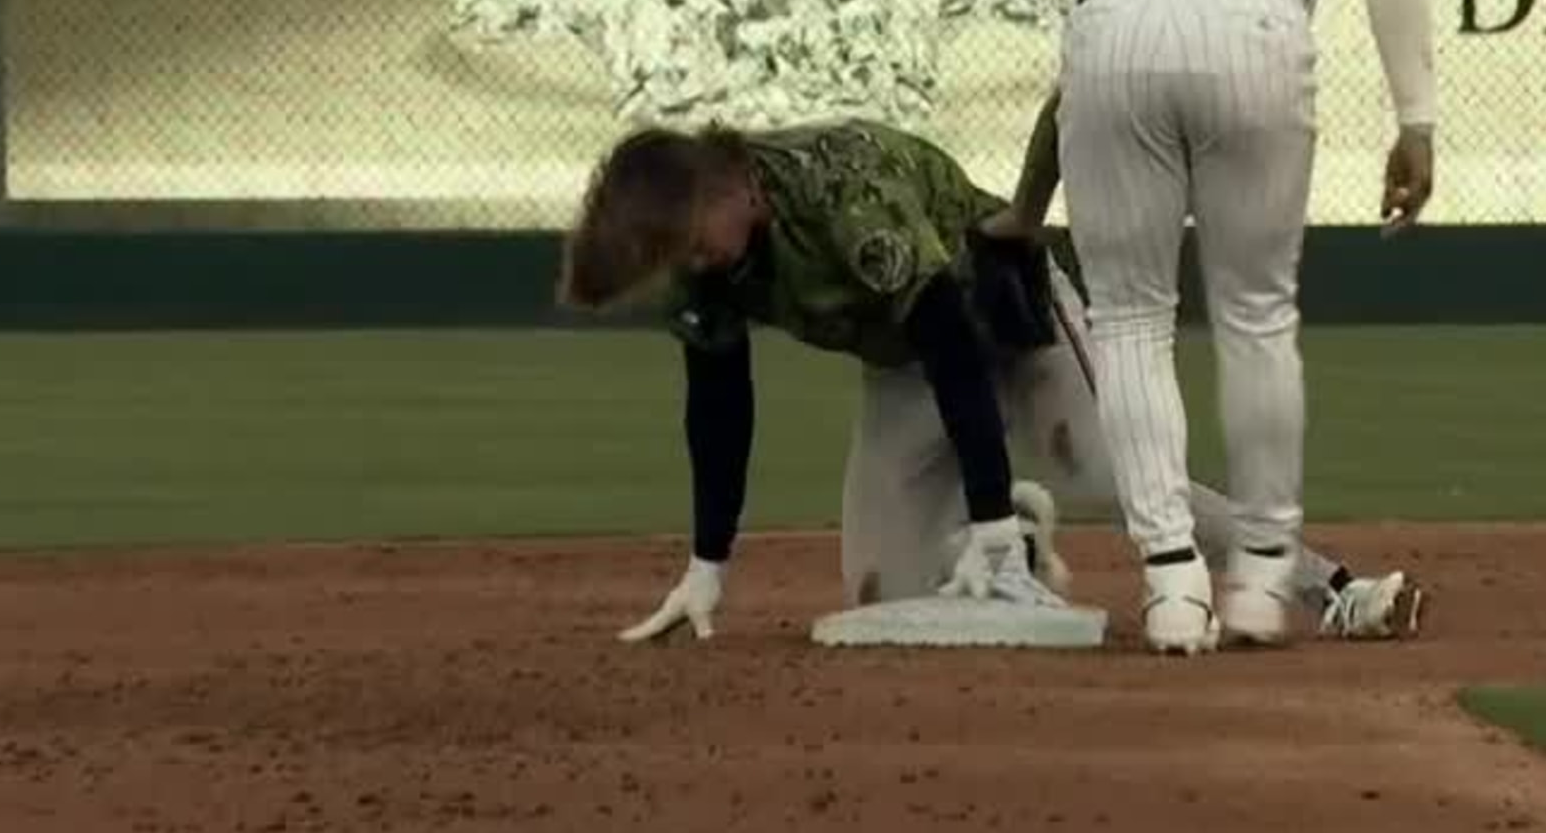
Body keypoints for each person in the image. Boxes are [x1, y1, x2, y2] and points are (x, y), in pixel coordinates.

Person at [554, 115, 1425, 646]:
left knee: (1114, 477)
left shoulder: (842, 195)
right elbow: (719, 404)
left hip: (1006, 319)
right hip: (907, 366)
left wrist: (987, 518)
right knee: (884, 602)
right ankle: (1027, 547)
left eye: (693, 239)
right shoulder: (709, 264)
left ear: (727, 183)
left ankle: (1335, 590)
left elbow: (954, 339)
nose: (695, 262)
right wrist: (709, 563)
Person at [1054, 0, 1440, 654]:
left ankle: (1171, 589)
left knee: (1129, 320)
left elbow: (1082, 33)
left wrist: (1031, 198)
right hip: (1249, 20)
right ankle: (1262, 584)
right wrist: (1416, 122)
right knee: (1255, 314)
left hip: (1108, 27)